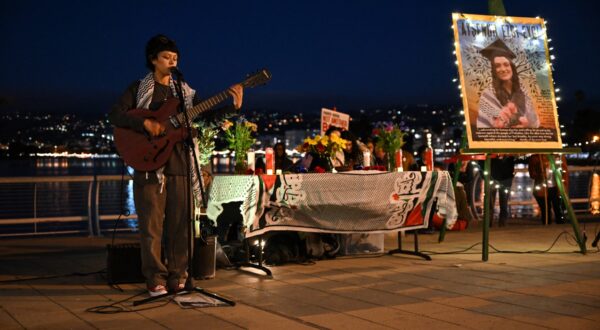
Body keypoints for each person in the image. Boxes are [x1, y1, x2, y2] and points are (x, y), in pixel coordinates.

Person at [108, 35, 244, 296]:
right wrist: (144, 124)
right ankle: (155, 279)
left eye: (175, 58)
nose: (172, 61)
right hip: (149, 167)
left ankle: (178, 276)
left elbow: (204, 121)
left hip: (180, 164)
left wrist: (232, 109)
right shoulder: (138, 88)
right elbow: (115, 114)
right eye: (166, 57)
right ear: (153, 60)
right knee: (151, 226)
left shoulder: (185, 94)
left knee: (181, 226)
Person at [477, 39, 539, 129]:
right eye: (497, 66)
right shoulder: (488, 94)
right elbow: (483, 126)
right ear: (494, 70)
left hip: (524, 140)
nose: (503, 69)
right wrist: (499, 121)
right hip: (500, 141)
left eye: (506, 64)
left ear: (512, 67)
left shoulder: (523, 91)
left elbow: (534, 122)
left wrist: (527, 123)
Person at [528, 154, 569, 225]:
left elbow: (565, 173)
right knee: (546, 212)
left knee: (558, 210)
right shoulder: (536, 157)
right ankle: (547, 228)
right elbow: (532, 174)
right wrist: (540, 173)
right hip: (542, 190)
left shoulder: (559, 157)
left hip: (556, 188)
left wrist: (565, 186)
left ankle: (560, 227)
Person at [489, 156, 515, 227]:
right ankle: (496, 223)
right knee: (492, 204)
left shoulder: (509, 157)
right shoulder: (509, 157)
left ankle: (500, 223)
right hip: (498, 178)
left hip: (502, 179)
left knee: (502, 204)